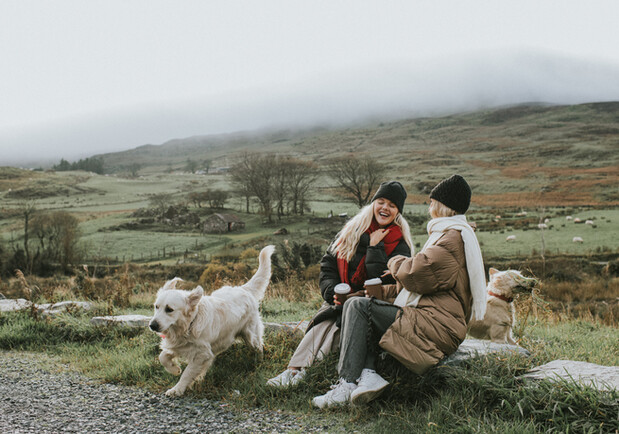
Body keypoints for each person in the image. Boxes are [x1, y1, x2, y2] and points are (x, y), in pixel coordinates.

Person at [311, 174, 487, 408]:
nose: (429, 206)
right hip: (432, 317)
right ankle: (366, 374)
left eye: (432, 201)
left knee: (360, 307)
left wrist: (396, 262)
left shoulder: (451, 239)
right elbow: (419, 287)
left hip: (436, 326)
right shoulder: (450, 235)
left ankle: (347, 383)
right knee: (362, 303)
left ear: (443, 206)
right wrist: (379, 292)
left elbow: (415, 275)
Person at [266, 181, 413, 388]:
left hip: (366, 305)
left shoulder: (400, 244)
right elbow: (328, 264)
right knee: (323, 320)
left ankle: (303, 372)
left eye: (392, 205)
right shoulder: (351, 230)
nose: (385, 208)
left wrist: (375, 247)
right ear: (373, 204)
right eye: (381, 202)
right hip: (340, 297)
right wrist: (330, 291)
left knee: (336, 324)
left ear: (398, 212)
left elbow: (382, 283)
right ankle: (291, 371)